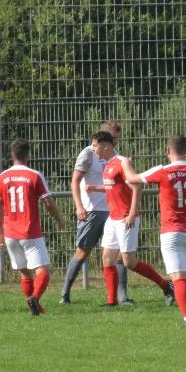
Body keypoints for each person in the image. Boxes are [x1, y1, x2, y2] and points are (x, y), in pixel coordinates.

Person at [124, 134, 186, 328]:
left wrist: (126, 164)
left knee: (178, 277)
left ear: (167, 151)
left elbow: (131, 178)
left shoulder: (162, 171)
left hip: (171, 232)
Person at [92, 131, 174, 306]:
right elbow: (113, 186)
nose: (93, 149)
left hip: (125, 218)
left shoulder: (121, 162)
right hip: (113, 218)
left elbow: (137, 188)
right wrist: (93, 188)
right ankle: (112, 302)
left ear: (105, 146)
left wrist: (131, 213)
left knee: (129, 261)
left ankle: (167, 286)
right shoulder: (107, 164)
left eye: (95, 146)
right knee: (107, 258)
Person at [0, 138, 66, 316]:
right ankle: (35, 297)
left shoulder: (1, 177)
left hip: (10, 234)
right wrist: (59, 219)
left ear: (12, 155)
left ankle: (35, 306)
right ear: (29, 155)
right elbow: (48, 202)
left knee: (25, 274)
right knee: (43, 271)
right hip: (30, 232)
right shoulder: (34, 175)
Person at [60, 121, 129, 305]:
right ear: (103, 136)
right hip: (92, 211)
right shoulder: (88, 153)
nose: (116, 141)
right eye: (113, 137)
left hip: (113, 212)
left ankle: (122, 297)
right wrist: (79, 206)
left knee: (119, 254)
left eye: (117, 138)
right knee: (83, 252)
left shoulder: (116, 156)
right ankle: (65, 294)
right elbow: (75, 181)